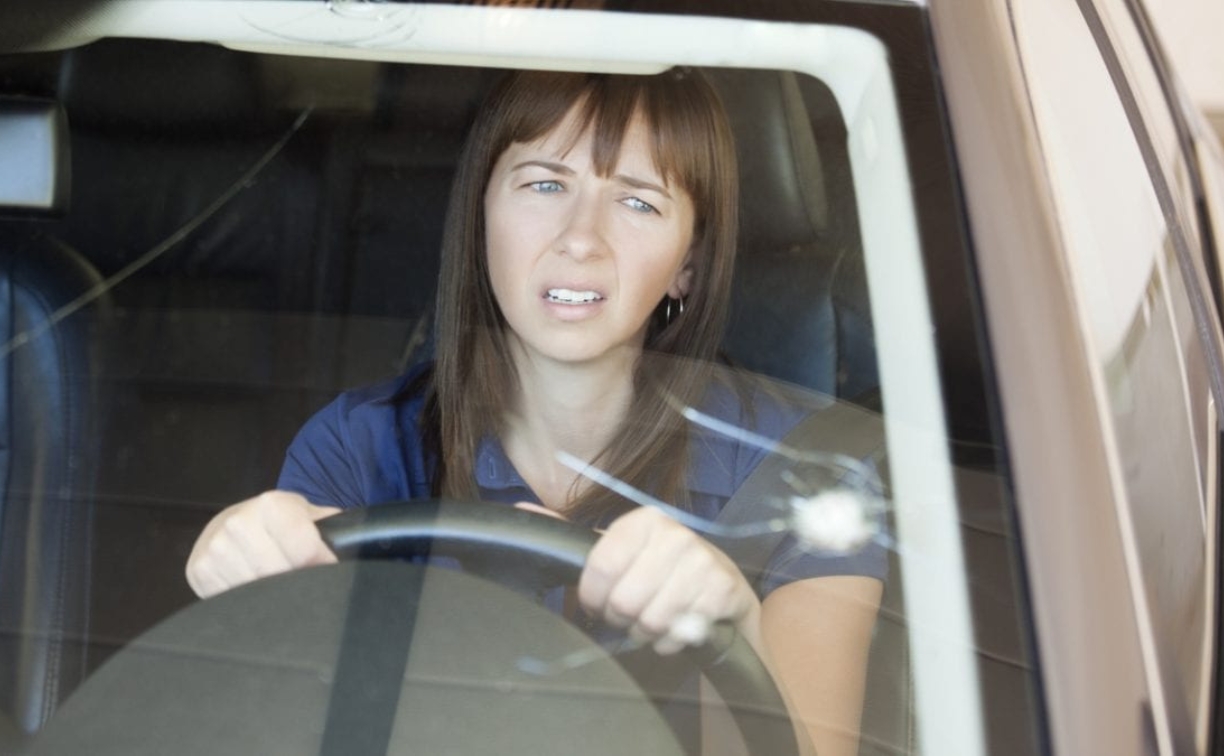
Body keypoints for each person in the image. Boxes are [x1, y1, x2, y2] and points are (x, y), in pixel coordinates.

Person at [185, 68, 885, 756]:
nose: (582, 238)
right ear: (481, 215)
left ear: (687, 266)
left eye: (638, 202)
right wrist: (245, 554)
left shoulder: (812, 478)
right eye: (545, 184)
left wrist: (737, 624)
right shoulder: (359, 445)